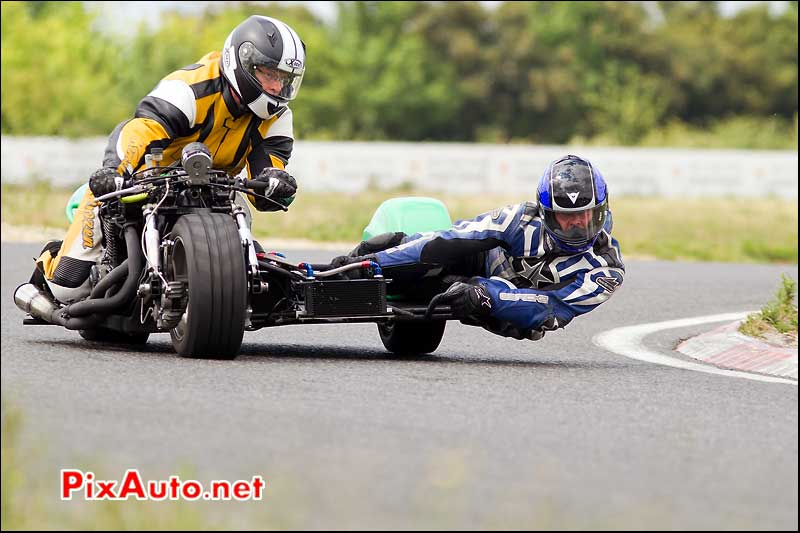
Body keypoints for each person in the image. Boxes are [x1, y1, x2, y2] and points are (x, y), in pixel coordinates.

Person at [32, 15, 307, 304]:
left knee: (245, 228)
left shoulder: (276, 117)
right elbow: (140, 131)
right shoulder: (189, 89)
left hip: (215, 192)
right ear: (245, 63)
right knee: (67, 287)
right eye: (269, 74)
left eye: (283, 79)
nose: (277, 87)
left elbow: (267, 176)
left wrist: (276, 183)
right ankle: (47, 266)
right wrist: (114, 170)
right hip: (143, 182)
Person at [332, 154, 625, 341]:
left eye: (585, 215)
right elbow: (451, 238)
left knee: (472, 293)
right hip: (479, 271)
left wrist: (488, 296)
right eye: (566, 217)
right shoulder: (520, 218)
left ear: (601, 210)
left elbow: (552, 307)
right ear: (546, 212)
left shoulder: (606, 269)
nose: (576, 225)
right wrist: (374, 260)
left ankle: (467, 289)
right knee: (416, 253)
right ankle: (355, 268)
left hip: (512, 317)